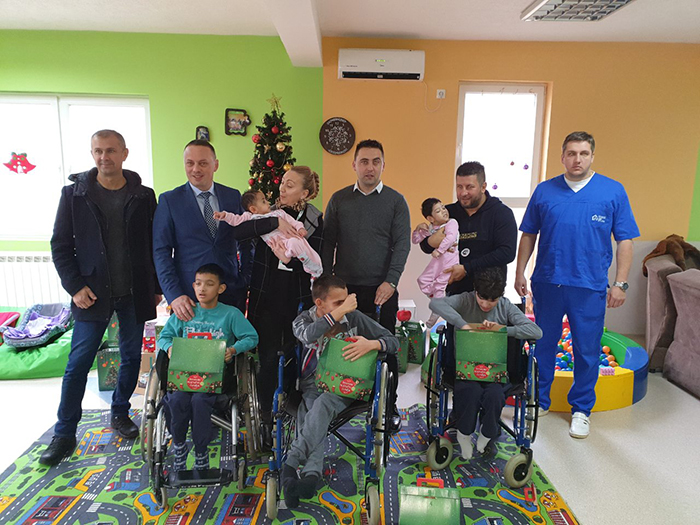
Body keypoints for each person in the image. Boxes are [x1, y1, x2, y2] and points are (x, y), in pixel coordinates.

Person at [41, 130, 160, 466]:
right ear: (92, 154)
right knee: (78, 363)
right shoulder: (74, 194)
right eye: (98, 151)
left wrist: (155, 286)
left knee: (131, 358)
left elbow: (153, 243)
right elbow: (60, 245)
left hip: (133, 292)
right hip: (90, 295)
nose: (104, 157)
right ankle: (64, 433)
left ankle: (120, 412)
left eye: (110, 150)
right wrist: (75, 287)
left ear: (124, 153)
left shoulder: (143, 195)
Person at [514, 131, 639, 439]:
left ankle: (581, 409)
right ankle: (540, 400)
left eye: (583, 153)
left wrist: (620, 283)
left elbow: (625, 240)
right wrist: (519, 272)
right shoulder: (545, 191)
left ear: (592, 156)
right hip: (548, 282)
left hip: (589, 287)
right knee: (543, 344)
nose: (577, 159)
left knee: (587, 349)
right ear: (562, 157)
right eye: (571, 153)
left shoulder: (612, 191)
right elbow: (528, 234)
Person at [283, 275, 399, 507]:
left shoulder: (353, 318)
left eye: (346, 301)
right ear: (319, 303)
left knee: (319, 407)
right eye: (339, 303)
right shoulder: (303, 320)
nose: (346, 306)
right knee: (311, 411)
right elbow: (308, 335)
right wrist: (338, 312)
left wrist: (371, 344)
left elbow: (393, 342)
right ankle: (310, 477)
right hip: (312, 383)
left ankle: (292, 462)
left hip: (343, 385)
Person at [228, 166, 323, 444]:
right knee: (268, 359)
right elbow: (238, 232)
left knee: (296, 358)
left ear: (304, 193)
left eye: (290, 185)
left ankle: (292, 415)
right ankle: (265, 419)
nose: (282, 188)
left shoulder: (315, 220)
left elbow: (316, 260)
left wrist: (290, 259)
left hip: (299, 300)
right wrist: (274, 224)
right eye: (282, 183)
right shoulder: (266, 213)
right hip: (266, 297)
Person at [321, 139, 410, 432]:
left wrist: (391, 281)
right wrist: (327, 282)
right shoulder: (339, 199)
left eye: (375, 161)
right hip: (343, 291)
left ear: (383, 165)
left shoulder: (396, 201)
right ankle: (342, 398)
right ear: (354, 165)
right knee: (341, 346)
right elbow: (328, 242)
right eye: (364, 161)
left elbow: (402, 244)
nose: (369, 167)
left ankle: (388, 406)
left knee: (386, 348)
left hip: (382, 289)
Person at [153, 140, 291, 318]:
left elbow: (246, 240)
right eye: (190, 163)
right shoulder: (169, 201)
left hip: (231, 292)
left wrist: (245, 277)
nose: (195, 169)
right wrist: (174, 295)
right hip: (188, 298)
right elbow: (161, 251)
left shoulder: (232, 196)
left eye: (203, 163)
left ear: (215, 165)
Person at [430, 267, 542, 460]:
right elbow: (435, 304)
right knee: (470, 392)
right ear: (476, 291)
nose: (486, 304)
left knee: (495, 395)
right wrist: (462, 324)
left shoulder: (505, 306)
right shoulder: (466, 300)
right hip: (465, 368)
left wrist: (502, 330)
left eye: (493, 300)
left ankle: (487, 433)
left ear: (500, 296)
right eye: (482, 298)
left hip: (495, 370)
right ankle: (464, 434)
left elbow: (536, 332)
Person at [157, 263, 258, 470]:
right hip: (185, 375)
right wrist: (169, 348)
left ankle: (201, 450)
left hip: (216, 376)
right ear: (193, 286)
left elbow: (251, 337)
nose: (202, 289)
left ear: (221, 288)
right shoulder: (185, 312)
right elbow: (164, 337)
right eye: (198, 283)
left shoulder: (230, 314)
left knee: (200, 401)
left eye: (209, 284)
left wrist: (233, 349)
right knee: (176, 399)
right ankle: (179, 445)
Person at [420, 161, 517, 295]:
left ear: (483, 187)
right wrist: (431, 241)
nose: (463, 193)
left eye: (469, 187)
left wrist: (466, 268)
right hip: (452, 292)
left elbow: (507, 253)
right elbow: (425, 247)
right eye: (459, 187)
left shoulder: (501, 213)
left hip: (487, 294)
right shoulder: (448, 213)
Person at [214, 189, 322, 279]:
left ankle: (314, 267)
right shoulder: (251, 217)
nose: (268, 202)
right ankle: (305, 264)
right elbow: (236, 220)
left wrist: (300, 228)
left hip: (289, 239)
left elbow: (293, 222)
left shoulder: (278, 213)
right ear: (253, 209)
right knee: (292, 247)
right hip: (279, 247)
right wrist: (225, 216)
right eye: (263, 201)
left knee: (298, 244)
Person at [412, 198, 460, 327]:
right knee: (422, 280)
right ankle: (438, 302)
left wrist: (439, 250)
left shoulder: (452, 223)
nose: (444, 211)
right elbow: (415, 241)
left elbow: (451, 238)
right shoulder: (431, 228)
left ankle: (437, 309)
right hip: (438, 261)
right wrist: (418, 229)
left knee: (440, 285)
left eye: (443, 208)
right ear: (431, 218)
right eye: (438, 211)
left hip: (450, 260)